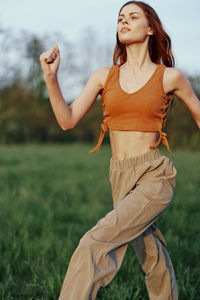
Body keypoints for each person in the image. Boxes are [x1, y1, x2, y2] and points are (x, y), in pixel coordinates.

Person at [40, 1, 200, 299]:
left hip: (154, 175)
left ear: (150, 28)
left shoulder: (169, 77)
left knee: (94, 242)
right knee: (151, 254)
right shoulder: (105, 76)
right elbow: (67, 120)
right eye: (120, 18)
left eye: (133, 17)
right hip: (119, 176)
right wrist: (51, 78)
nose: (124, 22)